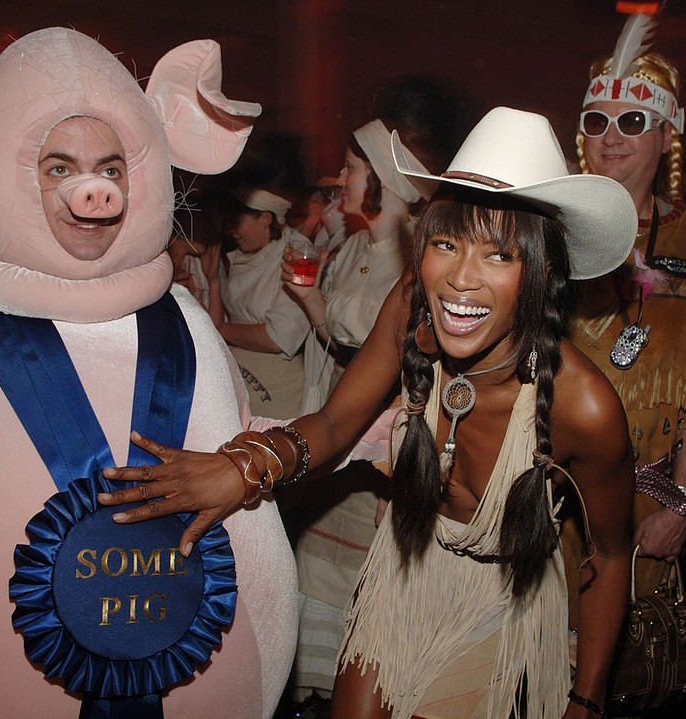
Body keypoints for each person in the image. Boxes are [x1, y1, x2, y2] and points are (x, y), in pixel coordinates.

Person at [98, 107, 638, 718]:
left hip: (500, 607)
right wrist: (244, 467)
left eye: (499, 255)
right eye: (445, 243)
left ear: (539, 270)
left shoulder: (584, 405)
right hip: (401, 570)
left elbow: (611, 554)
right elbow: (333, 424)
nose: (461, 279)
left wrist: (587, 701)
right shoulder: (412, 303)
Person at [0, 28, 297, 718]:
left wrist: (311, 441)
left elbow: (235, 432)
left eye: (111, 168)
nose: (91, 193)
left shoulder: (187, 320)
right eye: (56, 167)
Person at [280, 109, 449, 706]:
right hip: (334, 434)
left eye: (351, 169)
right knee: (313, 580)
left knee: (362, 611)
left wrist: (401, 481)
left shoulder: (415, 261)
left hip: (373, 460)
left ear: (380, 175)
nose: (341, 179)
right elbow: (341, 342)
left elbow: (412, 371)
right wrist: (308, 300)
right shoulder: (352, 246)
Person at [568, 19, 686, 609]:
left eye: (634, 121)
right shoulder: (550, 230)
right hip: (547, 491)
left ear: (666, 136)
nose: (611, 137)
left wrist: (685, 497)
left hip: (652, 501)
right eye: (597, 121)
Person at [204, 187, 313, 419]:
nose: (230, 229)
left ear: (265, 218)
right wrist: (213, 281)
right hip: (239, 383)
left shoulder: (294, 255)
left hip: (277, 392)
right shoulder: (239, 255)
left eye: (236, 221)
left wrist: (223, 330)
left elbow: (278, 338)